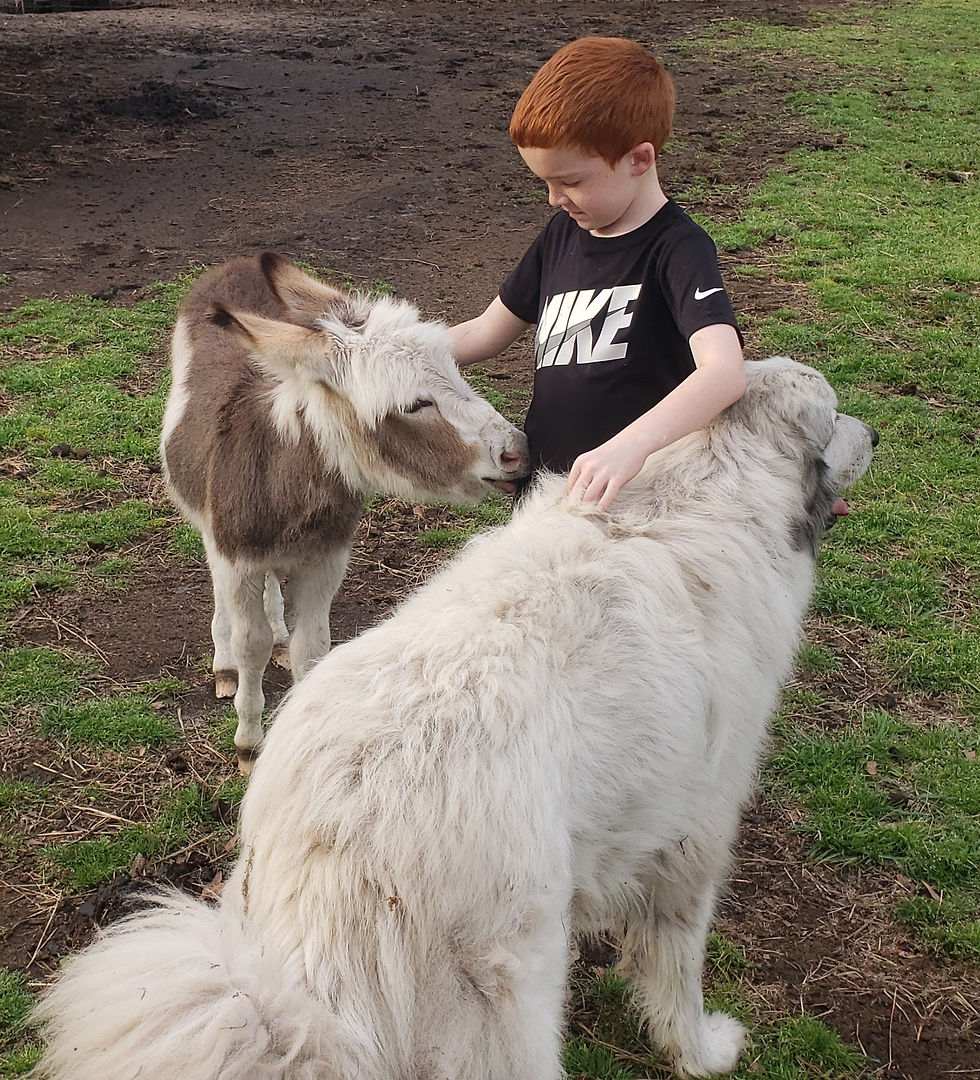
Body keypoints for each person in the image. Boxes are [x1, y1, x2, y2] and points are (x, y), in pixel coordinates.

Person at [449, 36, 746, 511]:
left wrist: (629, 448)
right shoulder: (560, 236)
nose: (554, 198)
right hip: (549, 497)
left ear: (639, 159)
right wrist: (392, 358)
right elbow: (485, 332)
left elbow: (724, 372)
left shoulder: (678, 248)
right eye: (545, 182)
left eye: (570, 181)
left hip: (639, 502)